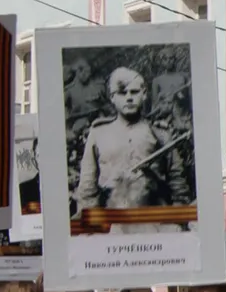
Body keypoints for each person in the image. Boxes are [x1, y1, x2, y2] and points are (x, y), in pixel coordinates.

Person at [74, 67, 191, 220]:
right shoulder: (98, 133)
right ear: (112, 97)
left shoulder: (160, 133)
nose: (129, 98)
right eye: (122, 93)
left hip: (154, 217)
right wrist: (92, 223)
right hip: (112, 218)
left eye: (134, 92)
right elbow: (87, 188)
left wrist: (177, 219)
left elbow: (178, 182)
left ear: (144, 94)